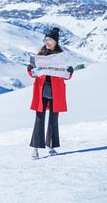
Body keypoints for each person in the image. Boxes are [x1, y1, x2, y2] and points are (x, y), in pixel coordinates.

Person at [27, 27, 74, 160]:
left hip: (56, 90)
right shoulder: (40, 54)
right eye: (46, 39)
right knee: (39, 118)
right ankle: (35, 149)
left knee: (53, 119)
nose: (47, 42)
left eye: (49, 40)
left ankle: (51, 147)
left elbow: (66, 76)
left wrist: (70, 72)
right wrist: (30, 69)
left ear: (55, 42)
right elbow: (33, 74)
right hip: (41, 90)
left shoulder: (61, 56)